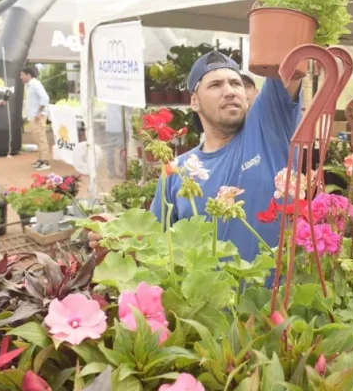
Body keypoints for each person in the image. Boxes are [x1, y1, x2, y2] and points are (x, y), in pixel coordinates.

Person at [151, 51, 302, 264]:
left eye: (236, 83)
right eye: (215, 85)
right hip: (208, 297)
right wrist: (113, 233)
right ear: (194, 101)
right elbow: (154, 245)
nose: (230, 91)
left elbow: (290, 57)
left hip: (276, 297)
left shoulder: (269, 128)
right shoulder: (177, 171)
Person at [21, 66, 51, 171]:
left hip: (38, 116)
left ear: (28, 75)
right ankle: (41, 158)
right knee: (37, 138)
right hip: (33, 116)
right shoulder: (29, 85)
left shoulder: (35, 84)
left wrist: (39, 112)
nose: (21, 77)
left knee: (41, 138)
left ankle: (45, 161)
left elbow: (45, 98)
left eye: (22, 75)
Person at [104, 103, 132, 179]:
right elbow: (129, 110)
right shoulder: (123, 97)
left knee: (110, 151)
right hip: (121, 126)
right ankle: (122, 171)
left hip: (110, 126)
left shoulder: (109, 97)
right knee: (123, 150)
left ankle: (111, 172)